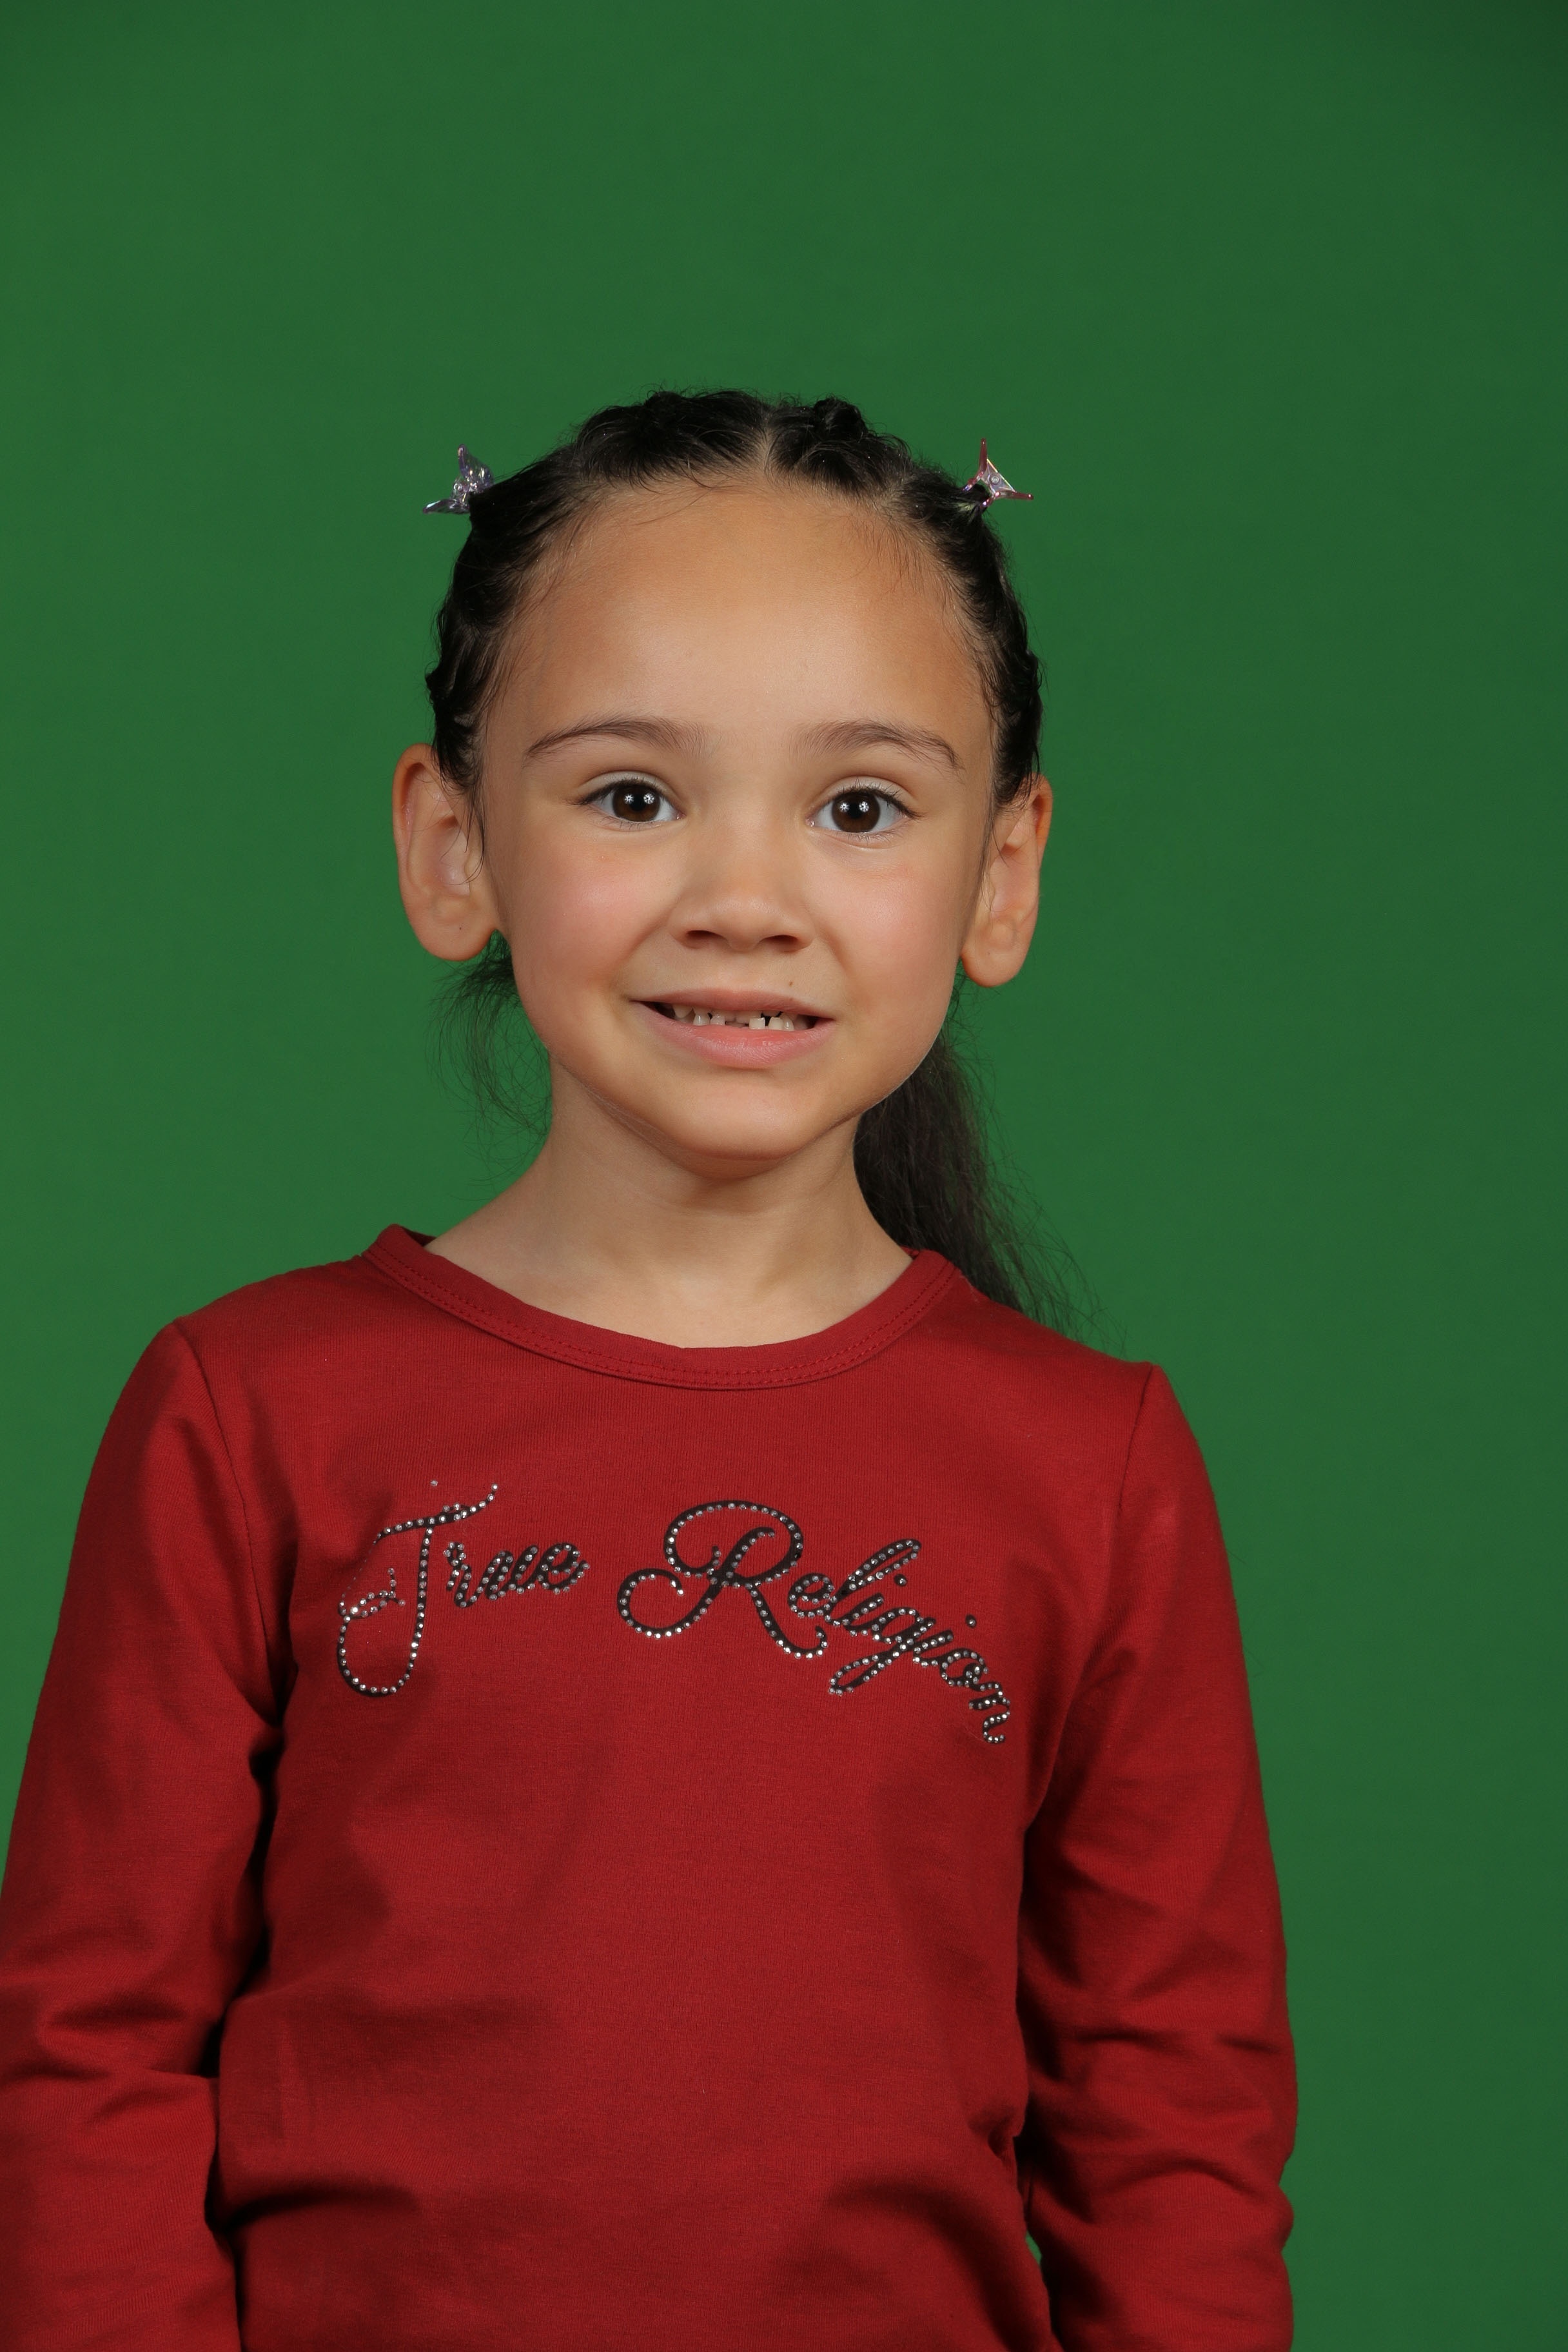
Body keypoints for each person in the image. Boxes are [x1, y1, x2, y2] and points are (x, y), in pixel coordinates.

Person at [0, 391, 1295, 2351]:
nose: (744, 899)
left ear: (1004, 873)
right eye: (630, 796)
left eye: (860, 809)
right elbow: (83, 2065)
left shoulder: (1090, 1463)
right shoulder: (246, 1412)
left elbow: (1173, 2131)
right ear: (453, 845)